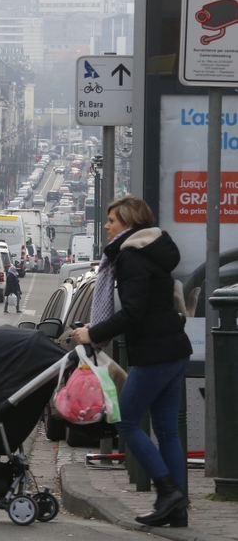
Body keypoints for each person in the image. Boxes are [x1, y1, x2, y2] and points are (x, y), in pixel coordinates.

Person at [70, 196, 192, 528]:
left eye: (111, 220)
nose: (107, 226)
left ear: (128, 222)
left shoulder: (131, 257)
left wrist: (93, 333)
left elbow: (133, 312)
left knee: (125, 421)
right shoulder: (152, 251)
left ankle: (168, 491)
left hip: (155, 353)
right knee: (167, 430)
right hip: (174, 348)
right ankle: (177, 508)